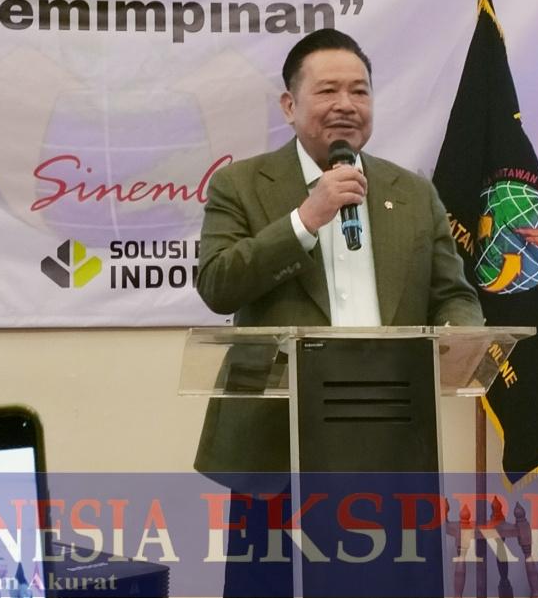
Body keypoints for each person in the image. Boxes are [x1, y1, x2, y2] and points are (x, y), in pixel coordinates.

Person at [193, 30, 484, 595]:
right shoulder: (242, 185)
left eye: (360, 91)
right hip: (280, 453)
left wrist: (461, 334)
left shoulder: (412, 192)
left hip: (394, 447)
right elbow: (218, 284)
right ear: (290, 105)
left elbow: (454, 292)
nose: (346, 104)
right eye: (328, 90)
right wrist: (306, 218)